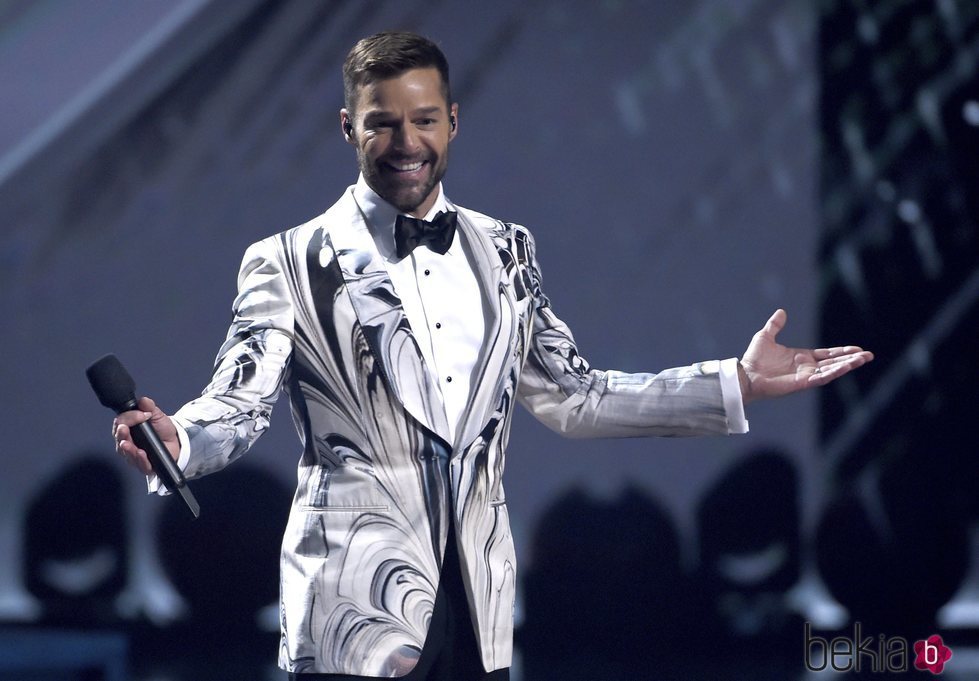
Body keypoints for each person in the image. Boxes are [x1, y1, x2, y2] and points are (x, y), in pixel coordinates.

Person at [111, 31, 873, 681]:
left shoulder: (506, 249)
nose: (407, 143)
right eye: (383, 124)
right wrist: (178, 438)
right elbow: (239, 400)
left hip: (478, 598)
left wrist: (733, 383)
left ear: (452, 122)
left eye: (424, 120)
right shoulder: (287, 260)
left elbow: (574, 397)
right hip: (351, 607)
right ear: (347, 128)